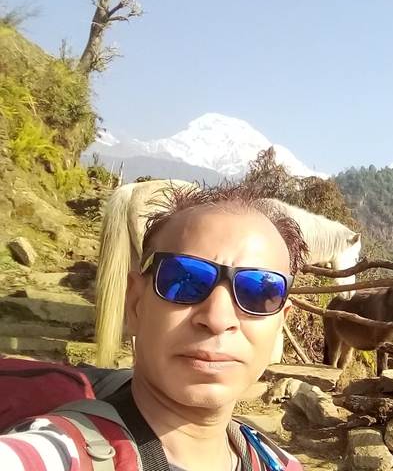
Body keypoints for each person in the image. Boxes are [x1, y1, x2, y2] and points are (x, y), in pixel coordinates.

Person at [0, 182, 307, 470]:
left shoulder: (280, 463)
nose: (218, 319)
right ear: (135, 303)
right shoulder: (60, 452)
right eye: (183, 281)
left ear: (280, 322)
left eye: (258, 292)